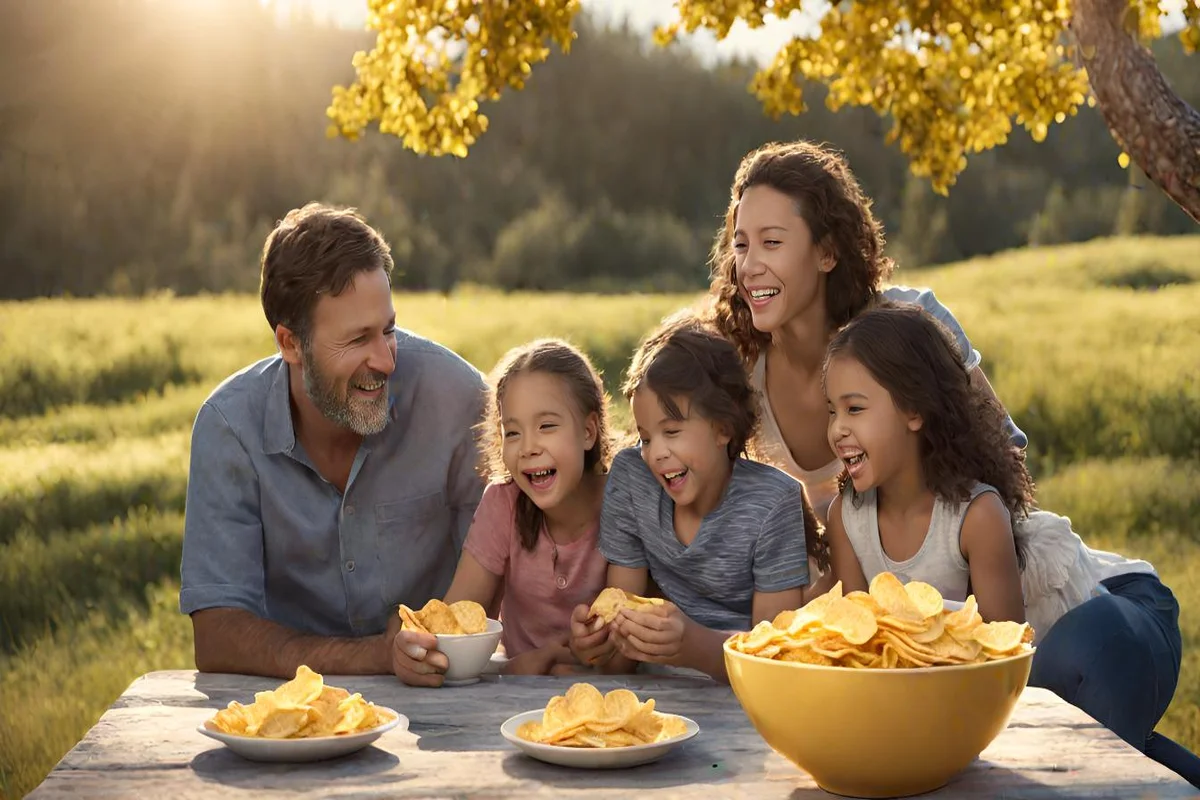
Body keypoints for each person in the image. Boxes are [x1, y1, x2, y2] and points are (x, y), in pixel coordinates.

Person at [822, 302, 1200, 788]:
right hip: (1059, 675)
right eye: (832, 411)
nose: (837, 428)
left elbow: (1006, 670)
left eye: (855, 408)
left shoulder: (976, 515)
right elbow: (864, 655)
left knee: (1071, 760)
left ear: (914, 410)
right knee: (1104, 748)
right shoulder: (845, 518)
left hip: (1117, 616)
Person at [179, 202, 487, 679]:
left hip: (448, 693)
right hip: (299, 713)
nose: (385, 360)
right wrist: (378, 657)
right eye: (357, 339)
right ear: (290, 344)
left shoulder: (461, 399)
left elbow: (512, 573)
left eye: (388, 330)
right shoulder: (229, 427)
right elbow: (218, 633)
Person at [704, 139, 1026, 529]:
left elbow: (1005, 457)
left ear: (827, 253)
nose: (749, 265)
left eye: (771, 242)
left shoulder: (915, 324)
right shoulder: (728, 362)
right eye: (741, 245)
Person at [568, 311, 824, 682]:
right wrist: (598, 642)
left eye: (672, 432)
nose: (655, 454)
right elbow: (619, 656)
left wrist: (694, 646)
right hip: (656, 695)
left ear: (722, 427)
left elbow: (773, 659)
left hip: (744, 700)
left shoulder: (773, 502)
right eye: (645, 437)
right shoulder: (633, 480)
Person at [393, 339, 615, 686]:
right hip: (513, 700)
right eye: (512, 432)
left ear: (588, 431)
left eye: (546, 426)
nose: (527, 447)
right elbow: (453, 628)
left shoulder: (624, 503)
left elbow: (627, 657)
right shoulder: (503, 504)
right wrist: (417, 651)